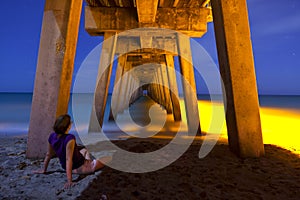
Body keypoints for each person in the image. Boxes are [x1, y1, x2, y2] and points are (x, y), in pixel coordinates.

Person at [33, 114, 111, 188]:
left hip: (65, 166)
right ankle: (90, 163)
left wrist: (44, 169)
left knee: (85, 150)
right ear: (67, 126)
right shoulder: (70, 138)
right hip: (80, 167)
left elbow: (48, 154)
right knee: (108, 158)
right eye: (70, 123)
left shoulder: (52, 136)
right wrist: (69, 180)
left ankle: (88, 161)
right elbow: (68, 159)